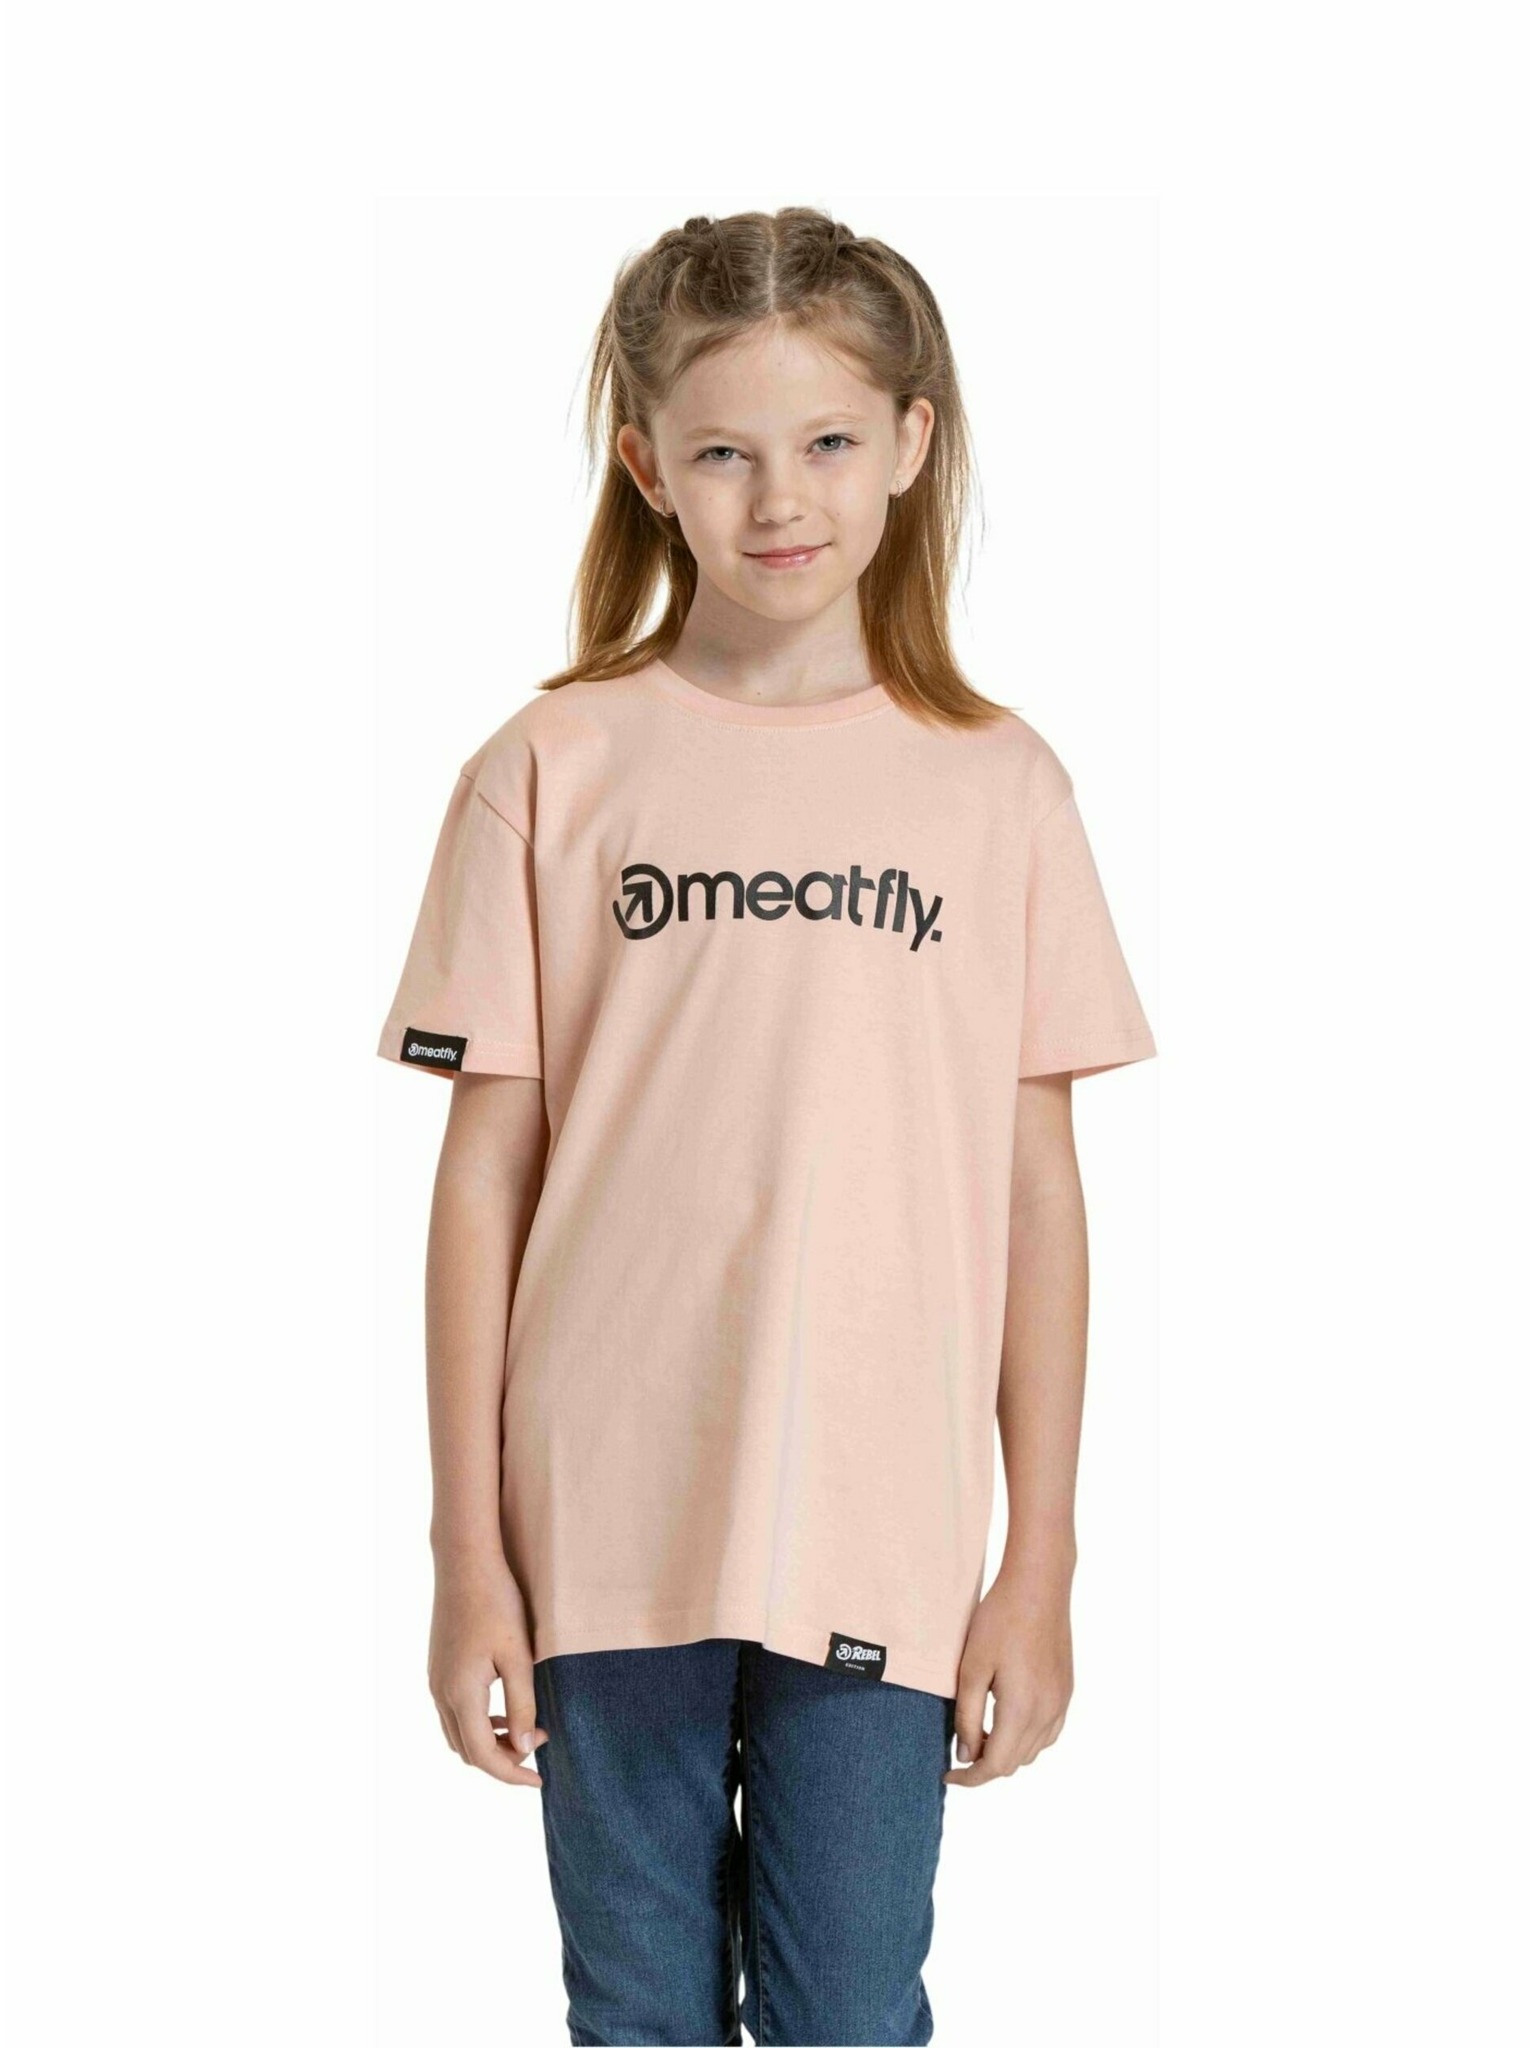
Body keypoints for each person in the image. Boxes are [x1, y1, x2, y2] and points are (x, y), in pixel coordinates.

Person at [375, 205, 1156, 2047]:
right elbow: (483, 1184)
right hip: (604, 1528)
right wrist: (468, 1556)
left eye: (825, 440)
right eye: (723, 451)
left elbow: (1038, 1200)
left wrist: (1040, 1558)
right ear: (646, 465)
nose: (780, 497)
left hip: (884, 1525)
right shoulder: (548, 770)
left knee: (851, 2015)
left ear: (912, 443)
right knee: (637, 2014)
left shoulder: (1000, 791)